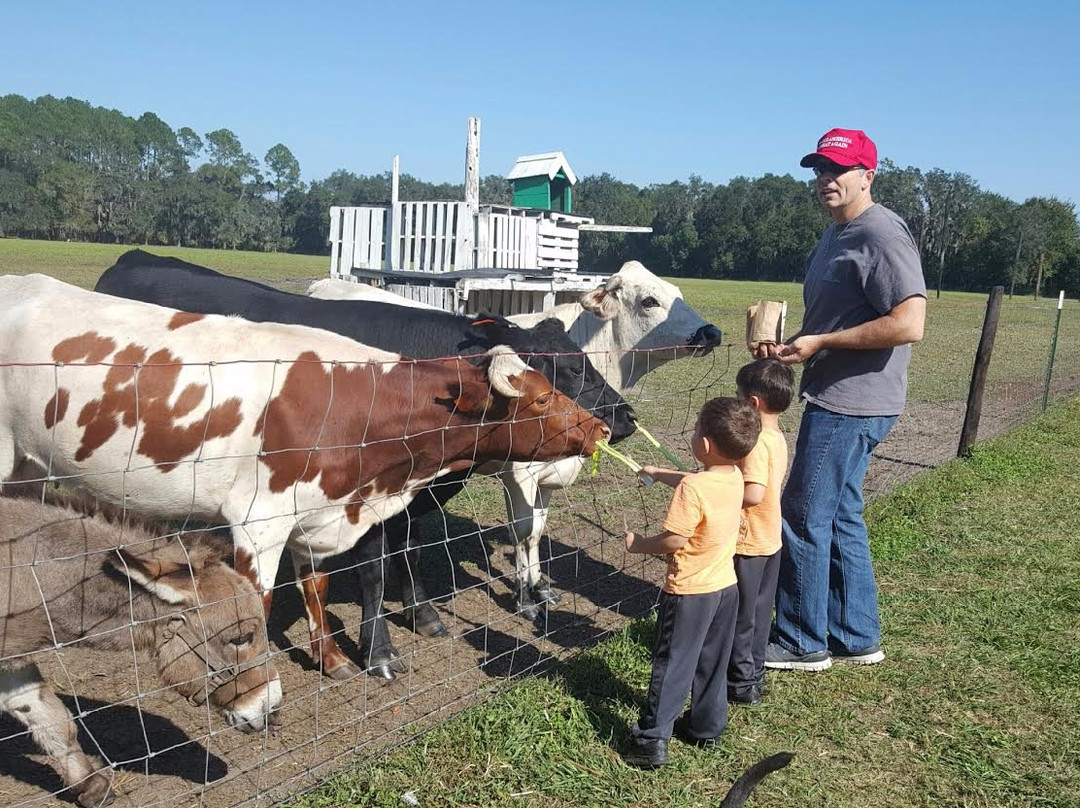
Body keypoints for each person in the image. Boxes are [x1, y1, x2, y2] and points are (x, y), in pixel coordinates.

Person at [764, 128, 927, 672]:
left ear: (868, 175)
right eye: (818, 170)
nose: (825, 180)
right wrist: (795, 345)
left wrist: (824, 343)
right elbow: (839, 317)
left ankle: (801, 640)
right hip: (835, 389)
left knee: (805, 513)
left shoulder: (881, 232)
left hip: (852, 401)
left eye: (837, 169)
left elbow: (910, 323)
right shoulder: (838, 235)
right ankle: (856, 635)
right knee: (841, 515)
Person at [622, 397, 761, 769]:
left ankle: (651, 741)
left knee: (673, 663)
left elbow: (674, 539)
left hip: (689, 594)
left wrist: (640, 545)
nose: (695, 434)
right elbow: (697, 481)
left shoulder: (692, 490)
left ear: (704, 445)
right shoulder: (734, 477)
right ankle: (706, 726)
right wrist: (657, 471)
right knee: (713, 660)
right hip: (725, 589)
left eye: (697, 429)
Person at [727, 358, 795, 704]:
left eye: (738, 397)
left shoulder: (754, 443)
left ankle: (739, 683)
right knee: (757, 613)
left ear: (753, 403)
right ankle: (754, 675)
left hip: (749, 543)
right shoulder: (777, 436)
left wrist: (717, 489)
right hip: (771, 541)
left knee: (742, 615)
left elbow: (753, 493)